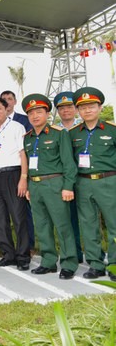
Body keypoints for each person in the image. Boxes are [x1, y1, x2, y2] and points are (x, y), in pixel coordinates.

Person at [21, 94, 78, 279]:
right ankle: (48, 261)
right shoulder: (27, 138)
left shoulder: (59, 133)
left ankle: (69, 263)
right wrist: (29, 186)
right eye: (31, 113)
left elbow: (69, 163)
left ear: (47, 113)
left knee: (63, 225)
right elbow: (29, 164)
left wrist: (68, 186)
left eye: (39, 111)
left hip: (55, 183)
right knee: (42, 226)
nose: (35, 116)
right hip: (35, 186)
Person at [69, 87, 116, 281]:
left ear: (99, 107)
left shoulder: (112, 130)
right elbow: (69, 161)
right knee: (88, 225)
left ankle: (113, 264)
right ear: (78, 111)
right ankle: (95, 264)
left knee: (114, 224)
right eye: (83, 107)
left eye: (91, 106)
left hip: (108, 181)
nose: (87, 110)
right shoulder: (72, 134)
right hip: (83, 182)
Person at [0, 98, 31, 270]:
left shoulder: (17, 127)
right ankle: (8, 254)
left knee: (18, 218)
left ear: (6, 109)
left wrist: (23, 178)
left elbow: (23, 153)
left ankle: (23, 256)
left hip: (13, 174)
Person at [54, 91, 84, 264]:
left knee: (90, 218)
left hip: (87, 178)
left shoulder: (84, 126)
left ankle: (97, 252)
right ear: (58, 111)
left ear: (76, 108)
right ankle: (76, 253)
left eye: (69, 107)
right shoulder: (55, 131)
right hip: (66, 182)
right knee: (70, 218)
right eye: (62, 108)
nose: (66, 111)